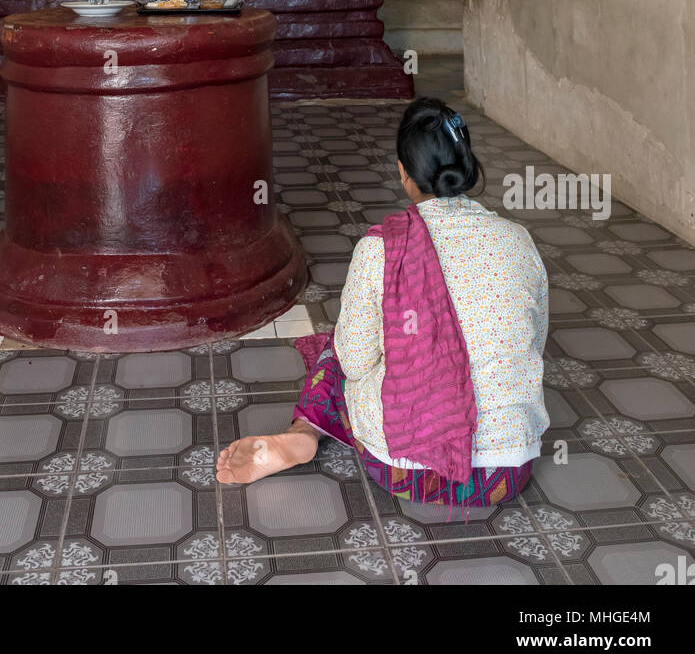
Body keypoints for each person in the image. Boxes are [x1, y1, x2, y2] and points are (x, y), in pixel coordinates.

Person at [217, 97, 549, 506]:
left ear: (403, 172)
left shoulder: (381, 248)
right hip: (504, 471)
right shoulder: (518, 240)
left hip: (404, 469)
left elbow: (355, 362)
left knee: (338, 352)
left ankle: (304, 435)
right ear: (468, 166)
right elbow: (534, 340)